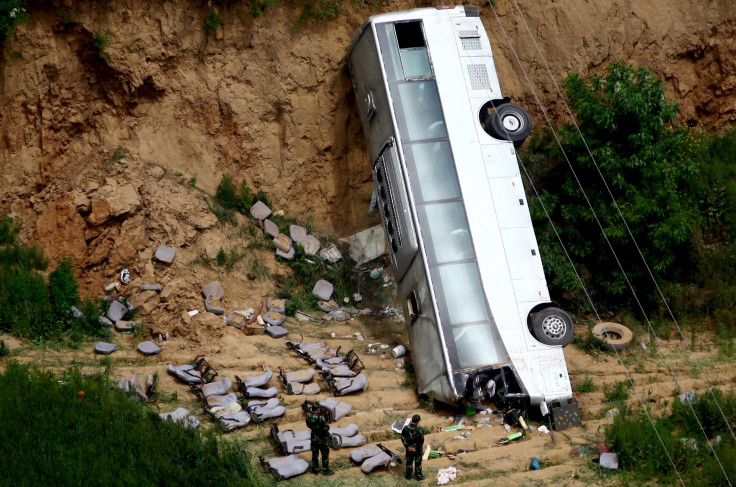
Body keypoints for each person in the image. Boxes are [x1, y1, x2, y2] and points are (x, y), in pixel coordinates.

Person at [306, 405, 334, 475]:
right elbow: (326, 428)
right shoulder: (321, 418)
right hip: (322, 439)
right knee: (325, 455)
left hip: (314, 438)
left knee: (315, 455)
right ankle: (326, 470)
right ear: (318, 409)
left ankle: (315, 469)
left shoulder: (308, 417)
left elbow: (309, 426)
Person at [401, 414, 426, 480]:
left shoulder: (406, 428)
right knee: (418, 463)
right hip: (417, 450)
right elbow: (421, 441)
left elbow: (403, 438)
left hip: (409, 449)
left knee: (409, 462)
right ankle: (419, 476)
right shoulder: (420, 429)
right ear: (418, 421)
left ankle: (408, 476)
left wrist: (407, 447)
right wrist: (416, 448)